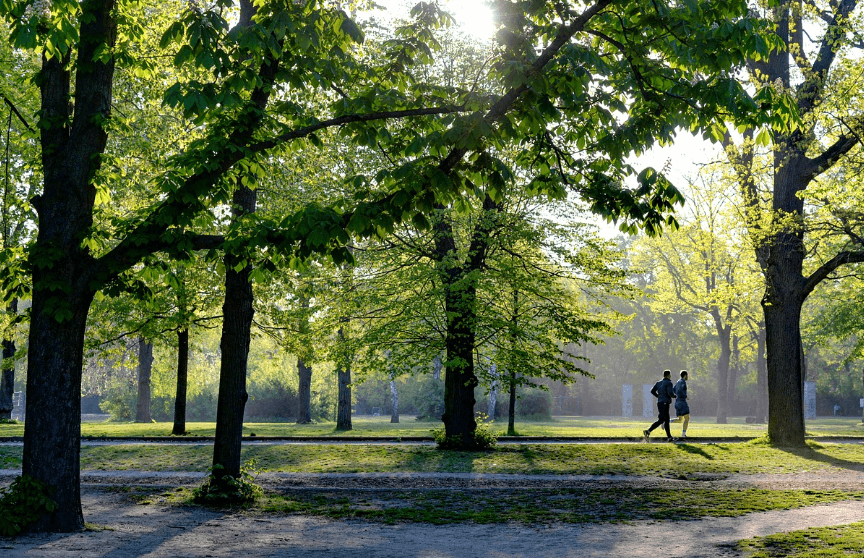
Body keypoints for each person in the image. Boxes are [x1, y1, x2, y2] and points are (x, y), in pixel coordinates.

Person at [643, 369, 675, 442]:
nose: (671, 376)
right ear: (668, 375)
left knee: (666, 420)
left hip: (659, 402)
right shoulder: (669, 383)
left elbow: (652, 391)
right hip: (665, 403)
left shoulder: (658, 383)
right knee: (662, 420)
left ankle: (669, 437)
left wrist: (658, 396)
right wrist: (675, 396)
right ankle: (648, 431)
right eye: (670, 375)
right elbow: (670, 393)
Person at [670, 370, 690, 438]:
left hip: (677, 402)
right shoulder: (683, 382)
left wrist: (676, 396)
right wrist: (685, 396)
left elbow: (673, 390)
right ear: (685, 376)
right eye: (687, 375)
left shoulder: (677, 382)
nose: (688, 376)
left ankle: (666, 422)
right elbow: (680, 390)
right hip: (682, 402)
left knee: (680, 420)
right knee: (687, 418)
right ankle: (683, 434)